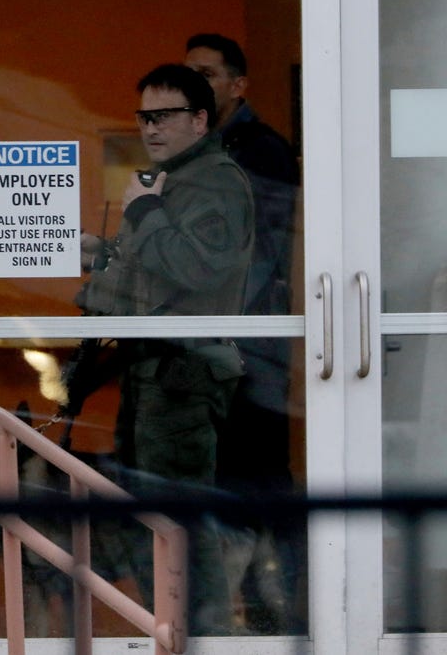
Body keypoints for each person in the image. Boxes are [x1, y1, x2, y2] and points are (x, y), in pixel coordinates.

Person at [77, 64, 254, 635]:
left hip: (183, 371)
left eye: (165, 116)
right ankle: (177, 631)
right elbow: (158, 273)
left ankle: (200, 637)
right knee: (152, 517)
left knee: (175, 520)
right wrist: (104, 255)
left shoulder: (214, 181)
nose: (150, 128)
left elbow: (198, 269)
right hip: (155, 368)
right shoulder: (172, 180)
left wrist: (144, 212)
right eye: (143, 116)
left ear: (200, 120)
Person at [185, 32, 303, 634]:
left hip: (251, 346)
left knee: (259, 479)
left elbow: (254, 254)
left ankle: (290, 613)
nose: (195, 84)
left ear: (238, 84)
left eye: (206, 73)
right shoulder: (203, 149)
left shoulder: (260, 152)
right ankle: (254, 614)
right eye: (189, 73)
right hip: (221, 346)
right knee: (231, 479)